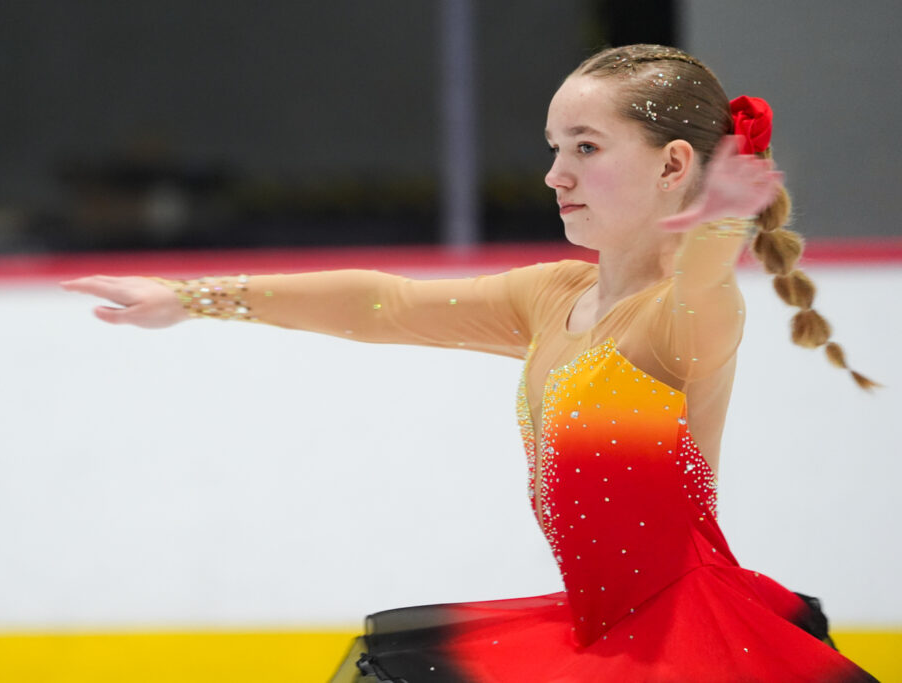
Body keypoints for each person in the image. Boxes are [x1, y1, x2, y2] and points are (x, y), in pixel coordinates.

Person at [62, 44, 877, 682]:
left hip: (685, 646)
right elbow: (382, 305)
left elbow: (705, 281)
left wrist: (721, 222)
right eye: (555, 146)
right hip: (592, 638)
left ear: (672, 166)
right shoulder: (553, 296)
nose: (555, 174)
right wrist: (197, 296)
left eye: (586, 147)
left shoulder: (679, 319)